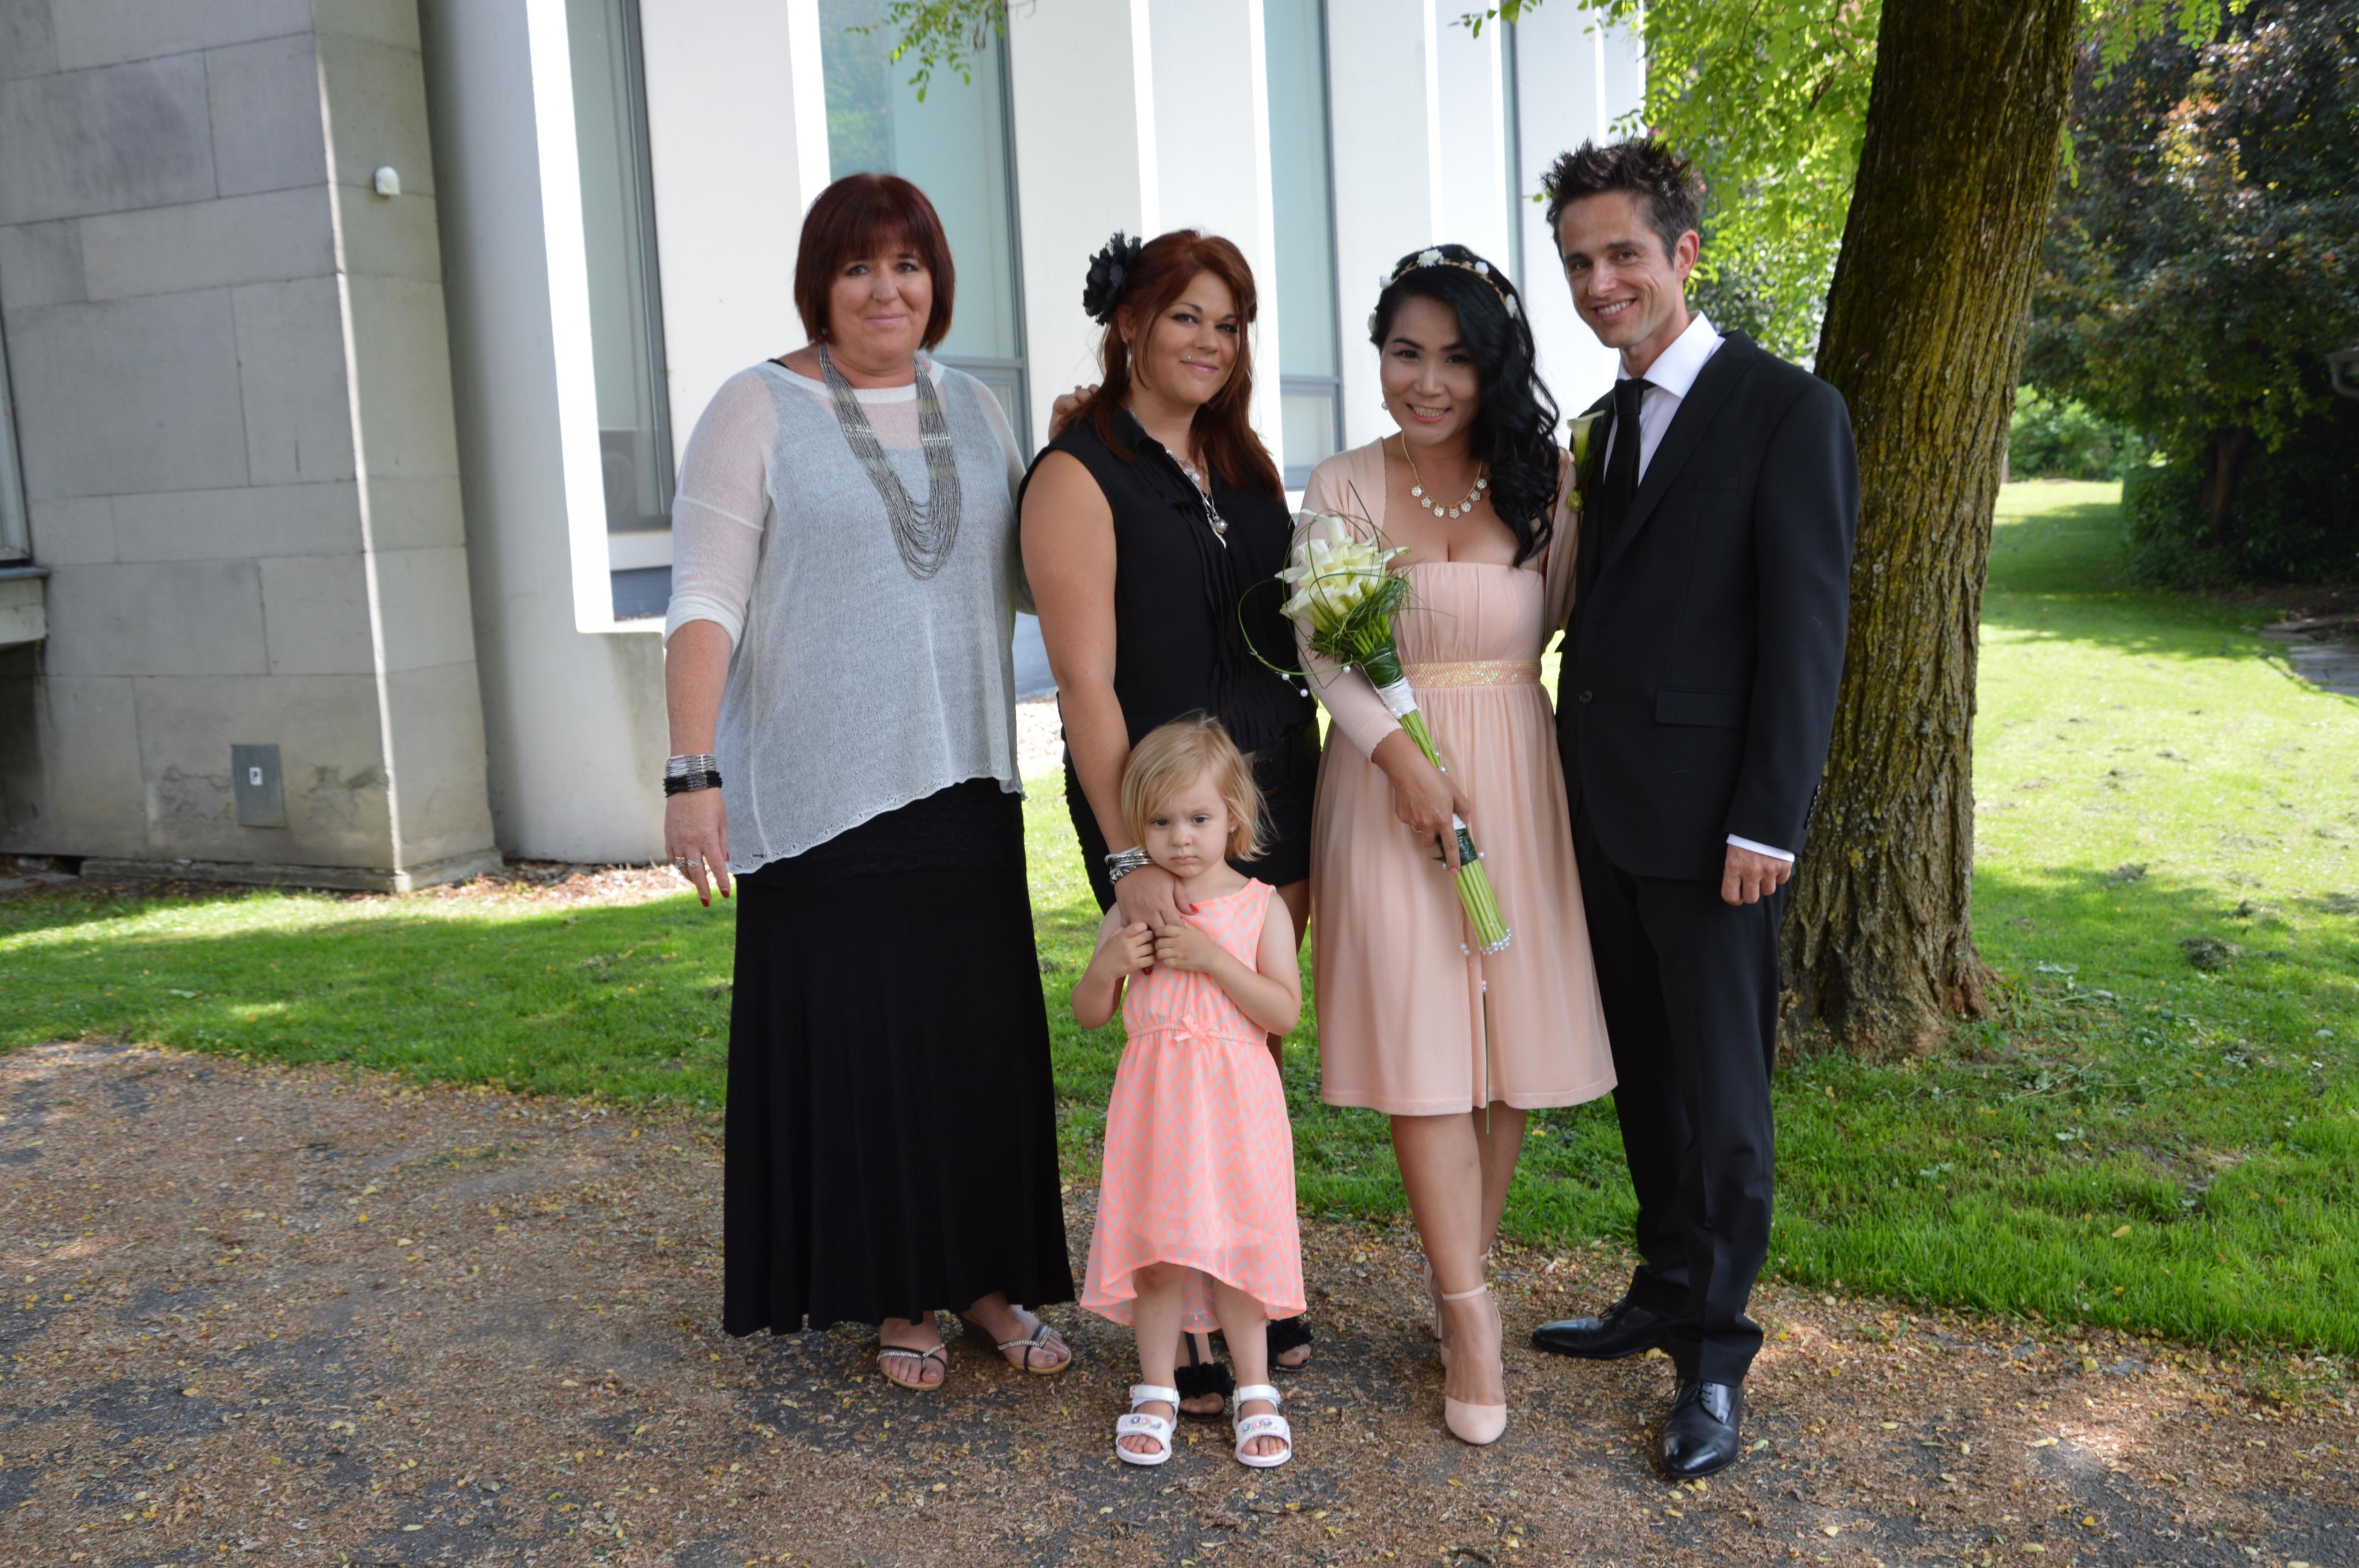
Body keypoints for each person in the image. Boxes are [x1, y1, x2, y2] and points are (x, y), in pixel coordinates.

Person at [662, 173, 1074, 1391]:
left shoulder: (977, 408)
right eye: (857, 267)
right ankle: (900, 1293)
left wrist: (1080, 461)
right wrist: (692, 769)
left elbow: (1030, 576)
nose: (885, 289)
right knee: (867, 1059)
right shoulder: (754, 407)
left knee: (973, 1048)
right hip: (822, 794)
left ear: (936, 278)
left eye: (907, 264)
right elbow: (703, 597)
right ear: (820, 285)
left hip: (964, 782)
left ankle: (987, 1280)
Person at [1528, 139, 1859, 1479]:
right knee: (1647, 1078)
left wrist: (1766, 820)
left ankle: (1714, 1354)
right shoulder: (1600, 425)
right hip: (1602, 815)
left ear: (1682, 254)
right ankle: (1663, 1286)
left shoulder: (1786, 411)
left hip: (1719, 828)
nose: (1597, 283)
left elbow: (1804, 634)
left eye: (1620, 254)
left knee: (1722, 1100)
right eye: (1576, 262)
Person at [1299, 243, 1615, 1446]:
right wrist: (1406, 765)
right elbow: (1324, 649)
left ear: (1492, 367)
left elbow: (1572, 612)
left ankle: (1458, 1278)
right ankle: (1470, 1317)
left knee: (1503, 1039)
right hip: (1386, 780)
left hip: (1514, 775)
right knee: (1427, 1035)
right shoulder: (1341, 482)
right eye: (1403, 353)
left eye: (1454, 359)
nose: (1426, 382)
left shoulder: (1547, 482)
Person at [1022, 230, 1321, 1412]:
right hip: (1159, 813)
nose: (1210, 341)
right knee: (1174, 1056)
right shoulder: (1075, 472)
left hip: (1272, 793)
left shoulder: (1244, 465)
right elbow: (1083, 682)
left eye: (1229, 323)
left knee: (1248, 1052)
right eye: (1186, 315)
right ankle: (1183, 1311)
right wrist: (1127, 856)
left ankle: (1251, 1277)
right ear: (1130, 324)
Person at [1071, 716, 1305, 1470]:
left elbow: (1284, 1013)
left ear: (1232, 816)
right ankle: (1157, 1388)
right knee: (1159, 1252)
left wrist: (1213, 959)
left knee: (1238, 1248)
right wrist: (1107, 967)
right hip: (1158, 1107)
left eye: (1199, 819)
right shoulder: (1131, 911)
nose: (1180, 839)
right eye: (1161, 823)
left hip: (1237, 1106)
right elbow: (1090, 1014)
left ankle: (1256, 1389)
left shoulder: (1260, 905)